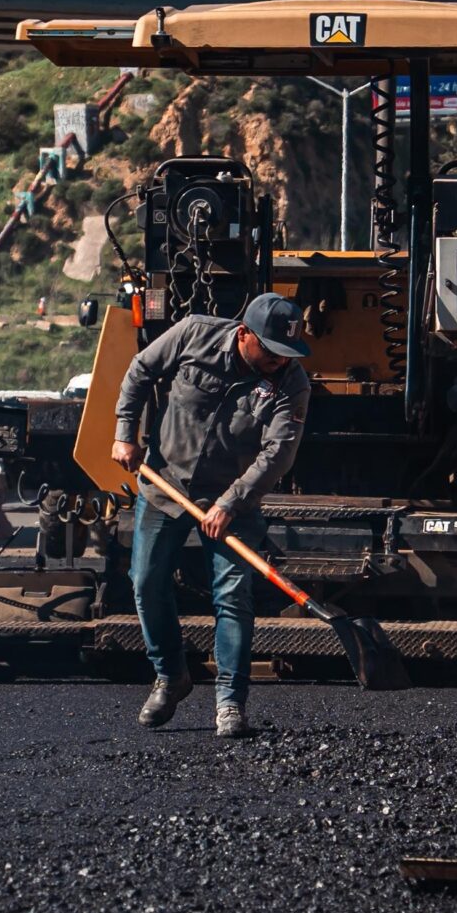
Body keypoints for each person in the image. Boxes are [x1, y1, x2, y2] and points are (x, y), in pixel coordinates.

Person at [109, 292, 311, 739]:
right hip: (166, 485)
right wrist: (125, 433)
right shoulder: (194, 334)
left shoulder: (292, 382)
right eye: (272, 351)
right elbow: (141, 370)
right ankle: (170, 676)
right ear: (244, 335)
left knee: (233, 597)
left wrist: (229, 503)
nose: (280, 361)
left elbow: (278, 453)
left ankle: (230, 703)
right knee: (145, 582)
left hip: (232, 498)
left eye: (288, 353)